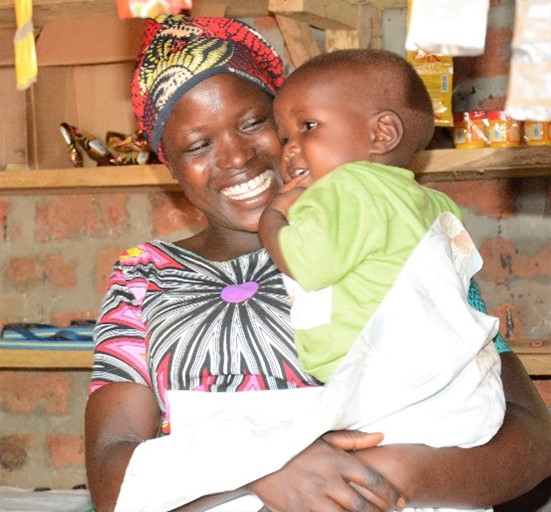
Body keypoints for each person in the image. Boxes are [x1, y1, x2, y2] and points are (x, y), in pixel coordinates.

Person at [84, 14, 551, 512]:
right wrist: (260, 468)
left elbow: (530, 432)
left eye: (255, 123)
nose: (238, 157)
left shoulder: (392, 235)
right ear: (168, 165)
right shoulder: (145, 278)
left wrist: (391, 477)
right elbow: (113, 472)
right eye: (199, 145)